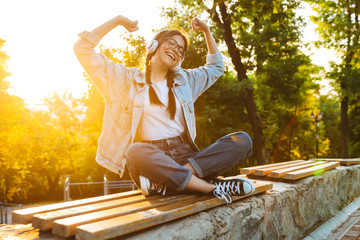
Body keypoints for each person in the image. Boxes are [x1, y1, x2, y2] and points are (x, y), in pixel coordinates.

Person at [74, 15, 255, 204]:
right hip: (153, 161)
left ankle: (169, 183)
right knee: (134, 151)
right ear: (154, 46)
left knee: (242, 141)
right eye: (171, 43)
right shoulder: (125, 80)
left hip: (188, 156)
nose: (176, 50)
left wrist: (207, 31)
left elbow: (216, 67)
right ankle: (211, 187)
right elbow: (82, 49)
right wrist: (118, 20)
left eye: (181, 50)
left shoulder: (184, 81)